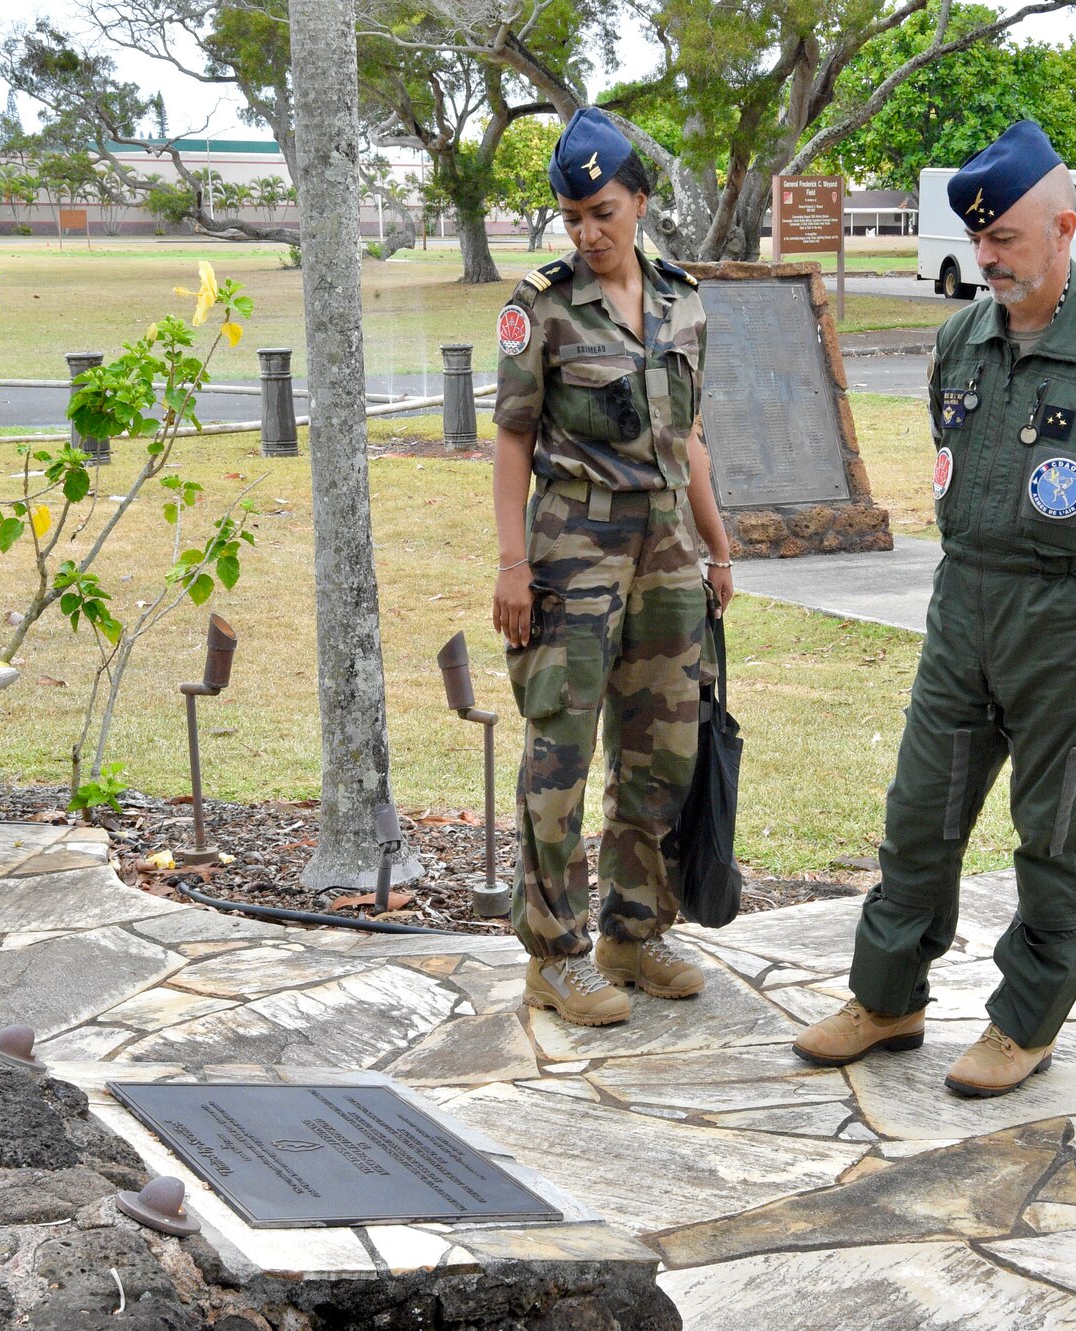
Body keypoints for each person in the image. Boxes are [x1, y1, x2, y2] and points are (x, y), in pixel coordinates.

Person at [791, 121, 1076, 1097]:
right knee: (917, 813)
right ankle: (887, 995)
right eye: (975, 238)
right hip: (963, 604)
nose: (984, 256)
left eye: (1005, 237)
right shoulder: (958, 340)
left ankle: (1025, 1018)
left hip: (1069, 616)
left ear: (1063, 230)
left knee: (1051, 829)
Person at [490, 107, 735, 1028]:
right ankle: (553, 952)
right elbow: (512, 437)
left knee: (661, 748)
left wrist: (717, 547)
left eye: (602, 211)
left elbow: (691, 438)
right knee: (559, 748)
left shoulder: (684, 298)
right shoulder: (539, 306)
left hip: (669, 547)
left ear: (640, 200)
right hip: (572, 546)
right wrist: (513, 564)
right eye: (572, 216)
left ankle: (633, 932)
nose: (588, 233)